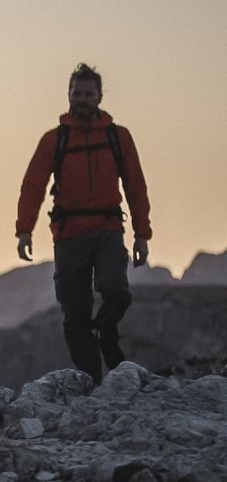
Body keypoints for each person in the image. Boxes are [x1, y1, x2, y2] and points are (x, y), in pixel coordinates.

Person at [15, 63, 152, 382]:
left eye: (89, 94)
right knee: (74, 314)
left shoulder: (119, 138)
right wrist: (24, 229)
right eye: (77, 93)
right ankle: (91, 380)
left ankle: (107, 333)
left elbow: (136, 186)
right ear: (69, 96)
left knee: (116, 292)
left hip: (107, 230)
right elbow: (32, 186)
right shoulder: (55, 140)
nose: (82, 99)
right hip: (69, 235)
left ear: (100, 97)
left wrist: (142, 234)